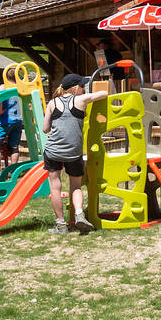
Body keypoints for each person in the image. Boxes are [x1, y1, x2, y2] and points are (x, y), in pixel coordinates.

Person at [42, 73, 110, 235]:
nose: (83, 88)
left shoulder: (52, 103)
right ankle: (79, 214)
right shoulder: (81, 100)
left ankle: (61, 224)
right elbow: (104, 94)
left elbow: (45, 129)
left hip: (53, 151)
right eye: (81, 86)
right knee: (76, 186)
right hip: (74, 152)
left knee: (55, 187)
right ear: (74, 88)